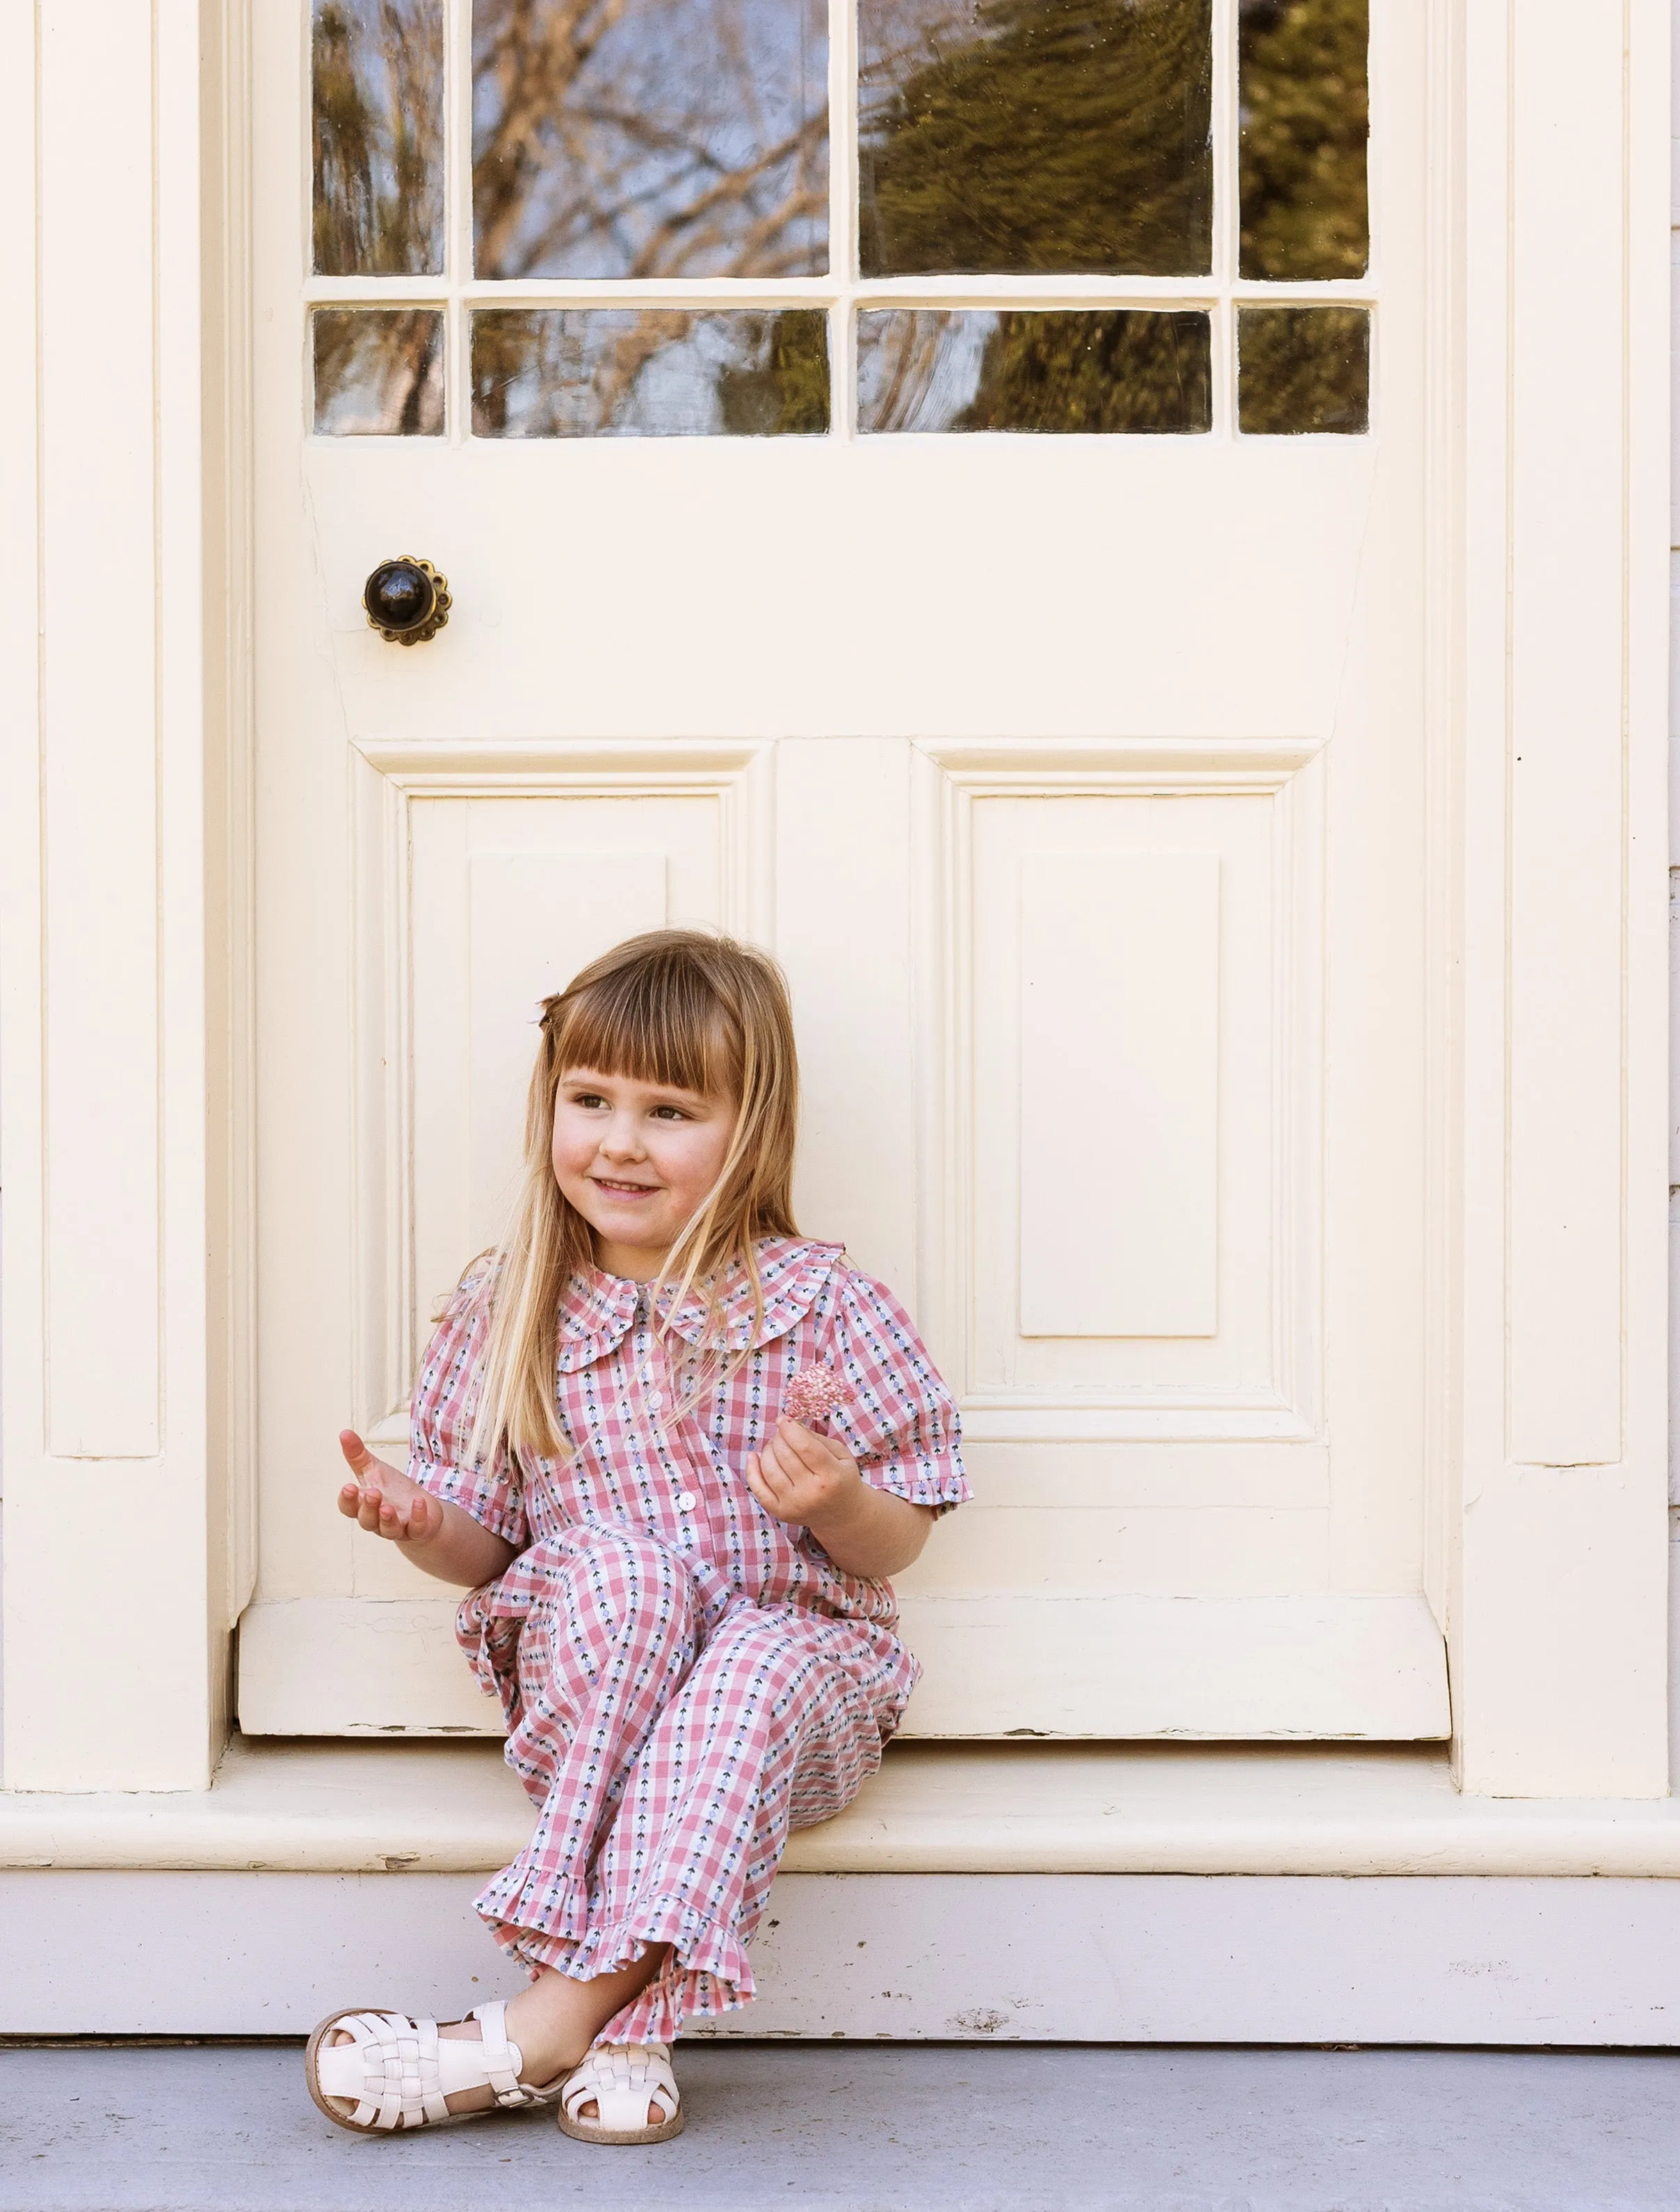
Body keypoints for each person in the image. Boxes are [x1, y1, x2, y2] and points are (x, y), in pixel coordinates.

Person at [305, 929, 969, 2145]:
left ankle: (550, 2023)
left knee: (758, 1652)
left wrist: (837, 1506)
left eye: (669, 1111)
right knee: (626, 1567)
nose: (618, 1141)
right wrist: (420, 1524)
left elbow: (897, 1545)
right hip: (600, 1678)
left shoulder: (823, 1305)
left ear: (750, 1129)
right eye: (591, 1100)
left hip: (794, 1710)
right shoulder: (510, 1313)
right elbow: (489, 1551)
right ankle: (629, 2030)